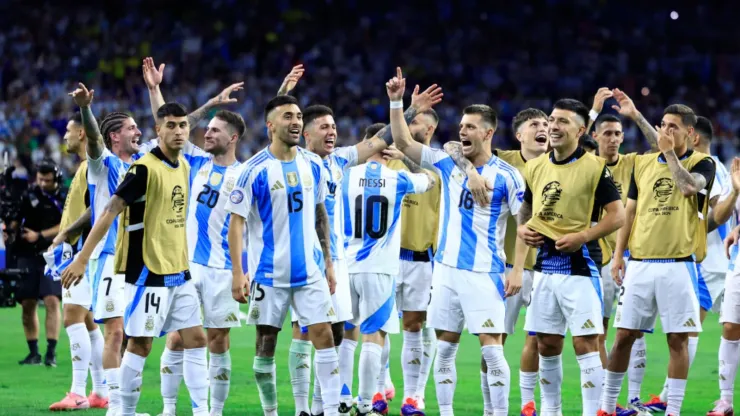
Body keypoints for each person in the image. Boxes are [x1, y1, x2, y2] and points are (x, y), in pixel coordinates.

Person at [390, 67, 525, 416]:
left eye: (470, 126)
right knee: (445, 350)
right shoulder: (449, 164)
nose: (462, 130)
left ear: (489, 132)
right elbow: (403, 143)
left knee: (492, 351)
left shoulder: (509, 176)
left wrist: (518, 269)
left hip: (486, 271)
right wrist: (396, 103)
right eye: (461, 125)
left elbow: (525, 224)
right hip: (446, 271)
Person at [62, 102, 211, 416]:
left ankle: (203, 412)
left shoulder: (183, 165)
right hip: (147, 271)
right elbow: (108, 210)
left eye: (183, 126)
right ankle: (123, 411)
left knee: (197, 338)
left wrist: (212, 103)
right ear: (159, 131)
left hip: (179, 270)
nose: (179, 131)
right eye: (170, 125)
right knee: (139, 344)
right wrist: (82, 257)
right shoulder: (142, 168)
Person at [141, 57, 247, 416]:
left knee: (219, 340)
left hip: (221, 269)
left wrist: (240, 272)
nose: (206, 133)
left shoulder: (246, 174)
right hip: (185, 266)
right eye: (208, 129)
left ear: (232, 138)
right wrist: (155, 89)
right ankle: (169, 409)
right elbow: (170, 126)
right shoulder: (196, 162)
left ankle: (213, 412)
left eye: (215, 131)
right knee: (177, 336)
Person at [225, 95, 340, 416]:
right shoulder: (252, 170)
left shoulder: (314, 164)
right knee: (266, 346)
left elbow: (320, 214)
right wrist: (238, 272)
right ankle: (271, 412)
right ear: (271, 125)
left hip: (310, 271)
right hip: (268, 274)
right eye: (288, 116)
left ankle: (330, 411)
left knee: (325, 336)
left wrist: (329, 263)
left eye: (299, 116)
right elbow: (236, 223)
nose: (296, 122)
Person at [599, 104, 716, 416]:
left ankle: (673, 411)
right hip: (639, 262)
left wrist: (671, 155)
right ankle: (607, 407)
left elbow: (688, 187)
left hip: (678, 264)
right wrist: (618, 256)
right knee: (623, 336)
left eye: (673, 127)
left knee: (677, 340)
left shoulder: (703, 163)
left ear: (690, 133)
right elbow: (631, 211)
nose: (666, 132)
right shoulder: (644, 164)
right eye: (663, 125)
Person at [516, 98, 625, 416]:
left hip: (581, 267)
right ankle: (552, 411)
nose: (553, 126)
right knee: (546, 344)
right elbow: (526, 206)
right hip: (544, 268)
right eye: (551, 119)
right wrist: (523, 229)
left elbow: (617, 216)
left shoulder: (594, 167)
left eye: (562, 121)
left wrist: (583, 237)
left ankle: (593, 412)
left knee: (586, 344)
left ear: (580, 129)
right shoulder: (535, 166)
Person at [343, 114, 436, 416]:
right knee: (374, 334)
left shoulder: (341, 174)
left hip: (346, 267)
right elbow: (431, 179)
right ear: (384, 147)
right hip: (381, 267)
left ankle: (341, 400)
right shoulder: (398, 178)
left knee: (346, 334)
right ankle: (367, 404)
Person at [47, 112, 109, 410]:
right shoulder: (85, 167)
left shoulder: (92, 168)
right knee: (88, 321)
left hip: (83, 250)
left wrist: (66, 234)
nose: (65, 137)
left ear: (82, 133)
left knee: (72, 315)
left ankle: (77, 392)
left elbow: (96, 212)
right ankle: (98, 392)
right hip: (82, 249)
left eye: (69, 132)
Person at [491, 108, 550, 416]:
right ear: (519, 135)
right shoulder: (502, 162)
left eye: (546, 123)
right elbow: (456, 148)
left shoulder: (559, 165)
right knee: (495, 342)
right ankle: (493, 409)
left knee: (543, 339)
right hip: (508, 267)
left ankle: (529, 404)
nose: (543, 128)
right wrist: (473, 171)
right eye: (535, 125)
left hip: (548, 266)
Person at [385, 106, 440, 413]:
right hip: (385, 259)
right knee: (378, 324)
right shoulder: (387, 161)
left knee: (415, 325)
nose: (405, 128)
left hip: (422, 259)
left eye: (413, 122)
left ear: (428, 130)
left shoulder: (440, 168)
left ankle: (414, 394)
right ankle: (382, 383)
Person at [12, 160, 64, 367]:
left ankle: (51, 352)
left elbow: (67, 223)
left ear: (56, 178)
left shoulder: (65, 195)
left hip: (52, 252)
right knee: (27, 302)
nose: (43, 184)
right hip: (27, 253)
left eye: (48, 180)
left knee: (52, 299)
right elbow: (16, 220)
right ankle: (33, 352)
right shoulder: (28, 195)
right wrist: (11, 227)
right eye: (40, 179)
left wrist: (40, 235)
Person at [710, 205, 740, 416]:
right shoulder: (735, 173)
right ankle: (725, 400)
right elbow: (719, 216)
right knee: (730, 325)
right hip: (738, 257)